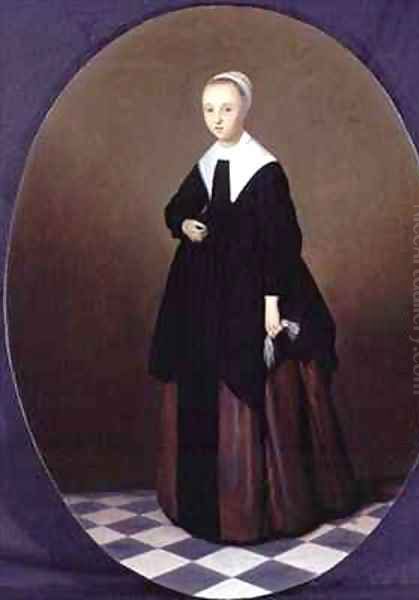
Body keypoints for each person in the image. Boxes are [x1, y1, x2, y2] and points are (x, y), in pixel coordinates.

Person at [148, 70, 359, 543]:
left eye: (226, 109)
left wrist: (271, 303)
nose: (217, 118)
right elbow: (176, 207)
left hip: (254, 289)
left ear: (244, 109)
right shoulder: (207, 161)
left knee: (254, 376)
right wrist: (184, 224)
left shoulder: (264, 169)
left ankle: (255, 512)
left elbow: (281, 242)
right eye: (209, 110)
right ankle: (197, 503)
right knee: (196, 370)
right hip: (203, 294)